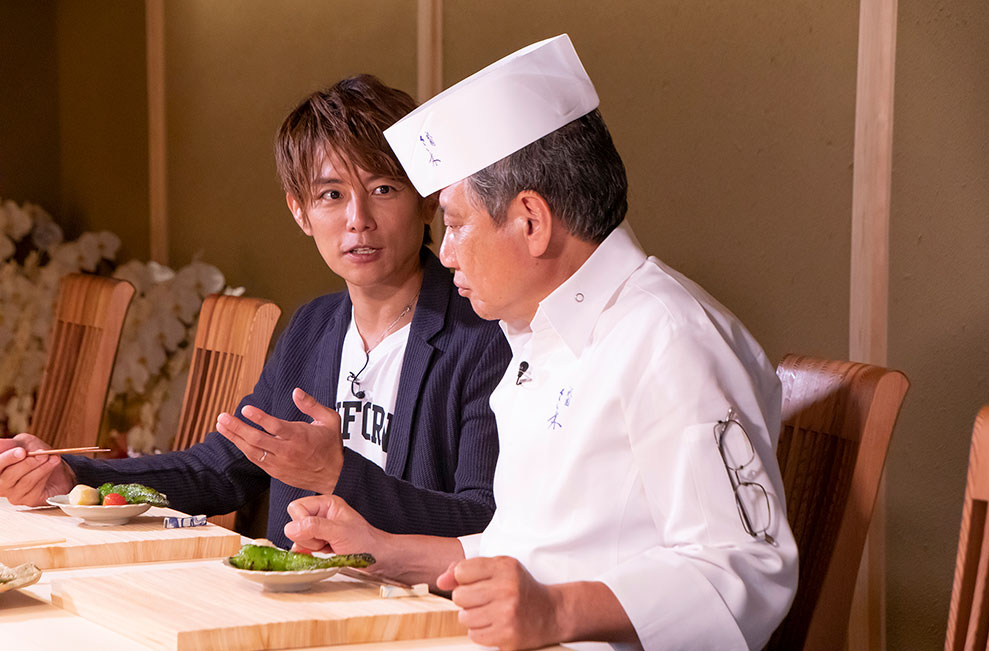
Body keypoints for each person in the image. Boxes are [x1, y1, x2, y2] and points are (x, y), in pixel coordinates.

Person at [281, 36, 798, 650]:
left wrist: (559, 611)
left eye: (457, 222)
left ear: (530, 220)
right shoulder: (538, 334)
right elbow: (519, 551)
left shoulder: (666, 335)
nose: (444, 252)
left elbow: (747, 570)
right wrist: (383, 551)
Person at [0, 74, 510, 546]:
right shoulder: (313, 327)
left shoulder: (485, 334)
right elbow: (221, 469)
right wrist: (75, 475)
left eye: (382, 189)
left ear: (426, 200)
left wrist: (337, 474)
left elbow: (485, 520)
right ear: (300, 212)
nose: (358, 220)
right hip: (295, 598)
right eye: (331, 195)